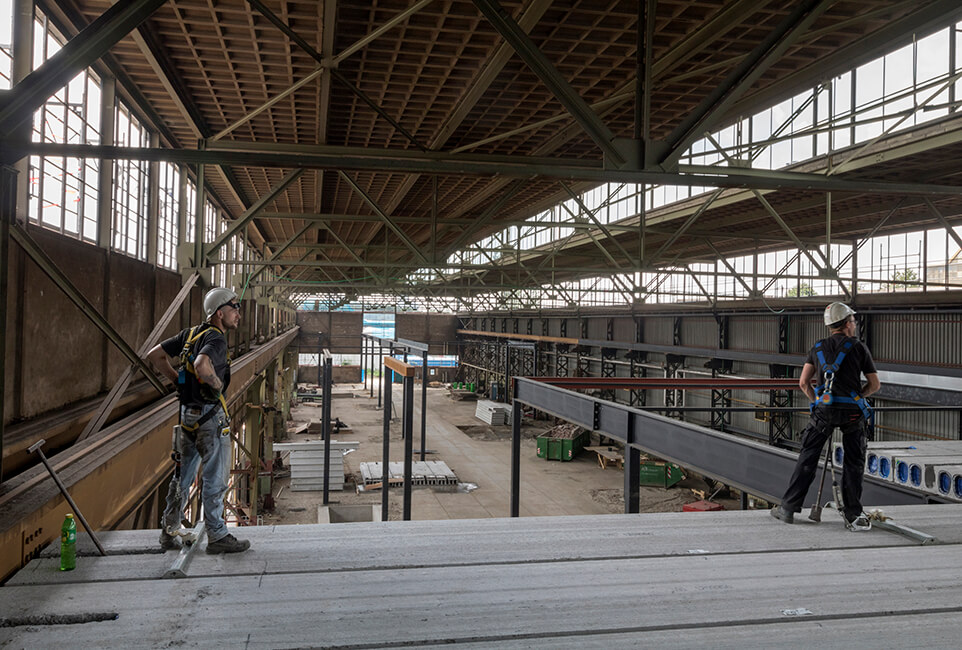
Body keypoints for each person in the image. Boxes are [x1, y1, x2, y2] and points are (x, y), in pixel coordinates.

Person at [146, 287, 250, 554]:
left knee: (182, 477)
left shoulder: (190, 334)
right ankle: (217, 535)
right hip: (209, 419)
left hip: (187, 417)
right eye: (234, 308)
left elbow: (155, 355)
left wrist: (176, 380)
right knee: (215, 478)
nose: (238, 313)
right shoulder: (216, 339)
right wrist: (215, 386)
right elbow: (203, 365)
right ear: (219, 313)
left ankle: (169, 532)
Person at [771, 302, 881, 531]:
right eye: (853, 321)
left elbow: (803, 383)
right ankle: (853, 515)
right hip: (852, 415)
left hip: (824, 413)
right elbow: (874, 385)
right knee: (853, 464)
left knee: (808, 458)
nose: (855, 324)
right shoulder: (859, 348)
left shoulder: (817, 348)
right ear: (847, 323)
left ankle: (788, 509)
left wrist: (817, 401)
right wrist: (857, 398)